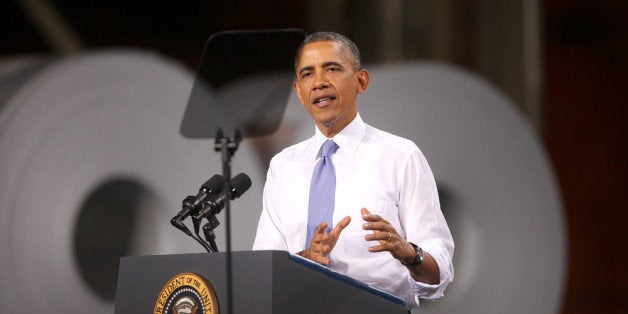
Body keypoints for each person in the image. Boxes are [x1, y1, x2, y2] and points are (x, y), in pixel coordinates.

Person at [252, 31, 454, 308]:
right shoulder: (283, 165)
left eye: (332, 69)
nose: (320, 83)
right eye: (308, 74)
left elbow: (438, 273)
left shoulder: (401, 156)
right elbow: (265, 269)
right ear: (298, 92)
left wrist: (409, 253)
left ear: (361, 80)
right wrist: (306, 258)